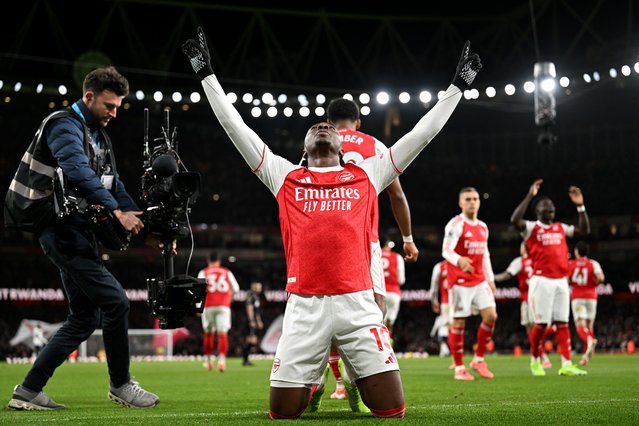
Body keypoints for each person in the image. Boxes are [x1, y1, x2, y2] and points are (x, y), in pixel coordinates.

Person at [182, 27, 481, 419]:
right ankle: (315, 376)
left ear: (344, 145)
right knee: (283, 412)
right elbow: (233, 125)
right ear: (304, 149)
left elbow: (423, 134)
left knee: (392, 408)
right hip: (304, 308)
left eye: (328, 128)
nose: (322, 127)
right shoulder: (284, 176)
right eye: (315, 128)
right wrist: (206, 73)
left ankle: (352, 373)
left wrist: (458, 85)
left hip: (358, 304)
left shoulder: (368, 175)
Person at [4, 66, 159, 410]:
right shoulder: (63, 125)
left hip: (71, 229)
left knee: (85, 317)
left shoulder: (99, 137)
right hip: (57, 229)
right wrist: (116, 213)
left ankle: (29, 390)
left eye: (118, 107)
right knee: (116, 302)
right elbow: (75, 170)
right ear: (88, 97)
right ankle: (121, 385)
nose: (114, 113)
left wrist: (145, 229)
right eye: (109, 105)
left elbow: (113, 186)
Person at [324, 98, 418, 403]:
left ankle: (337, 382)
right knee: (376, 312)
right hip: (364, 240)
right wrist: (407, 238)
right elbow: (397, 195)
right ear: (358, 122)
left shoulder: (317, 144)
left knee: (327, 313)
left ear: (329, 121)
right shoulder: (375, 145)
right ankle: (364, 385)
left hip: (324, 242)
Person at [510, 178, 590, 376]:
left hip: (562, 280)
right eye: (546, 207)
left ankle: (566, 364)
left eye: (552, 207)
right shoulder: (531, 228)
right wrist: (530, 195)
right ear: (538, 211)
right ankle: (535, 359)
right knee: (541, 324)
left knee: (563, 322)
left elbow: (584, 231)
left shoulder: (561, 228)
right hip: (541, 281)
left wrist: (580, 206)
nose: (551, 209)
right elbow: (515, 220)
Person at [442, 187, 497, 381]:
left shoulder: (483, 226)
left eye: (475, 199)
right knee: (459, 322)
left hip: (480, 279)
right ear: (461, 203)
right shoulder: (455, 224)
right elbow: (446, 250)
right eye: (468, 199)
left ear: (479, 202)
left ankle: (479, 359)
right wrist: (459, 260)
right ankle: (458, 368)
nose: (472, 202)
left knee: (491, 316)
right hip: (459, 281)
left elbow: (485, 254)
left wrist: (490, 279)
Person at [494, 243, 553, 368]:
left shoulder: (520, 261)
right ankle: (542, 356)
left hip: (527, 299)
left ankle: (544, 357)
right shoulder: (538, 260)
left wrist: (491, 277)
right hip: (541, 298)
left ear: (523, 249)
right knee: (537, 328)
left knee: (531, 331)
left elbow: (507, 275)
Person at [198, 251, 240, 372]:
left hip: (208, 306)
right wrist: (229, 299)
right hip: (223, 306)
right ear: (219, 261)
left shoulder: (203, 272)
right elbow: (236, 288)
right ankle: (221, 361)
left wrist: (198, 306)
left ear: (208, 261)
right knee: (222, 333)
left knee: (208, 333)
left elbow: (199, 290)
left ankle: (209, 361)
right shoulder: (226, 272)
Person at [568, 240, 605, 366]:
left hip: (578, 297)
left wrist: (571, 283)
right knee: (589, 327)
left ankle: (589, 341)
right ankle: (586, 357)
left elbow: (566, 279)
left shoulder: (571, 264)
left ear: (577, 252)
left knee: (580, 326)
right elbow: (600, 278)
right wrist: (594, 283)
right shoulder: (593, 263)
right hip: (591, 296)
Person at [381, 238, 405, 342]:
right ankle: (388, 340)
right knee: (391, 319)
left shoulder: (376, 254)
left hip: (379, 292)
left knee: (381, 319)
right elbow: (401, 279)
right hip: (394, 292)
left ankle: (382, 341)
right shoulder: (397, 257)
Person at [429, 260, 451, 357]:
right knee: (457, 325)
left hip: (445, 301)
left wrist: (434, 301)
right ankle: (454, 349)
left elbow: (434, 287)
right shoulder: (459, 263)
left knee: (444, 325)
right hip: (458, 300)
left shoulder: (439, 266)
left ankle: (444, 347)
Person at [243, 280, 264, 366]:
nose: (260, 288)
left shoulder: (256, 296)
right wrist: (251, 320)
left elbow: (257, 311)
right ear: (254, 287)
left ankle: (246, 360)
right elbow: (249, 308)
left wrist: (259, 321)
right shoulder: (250, 295)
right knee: (251, 340)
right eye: (258, 287)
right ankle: (245, 360)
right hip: (250, 321)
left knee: (252, 340)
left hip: (254, 321)